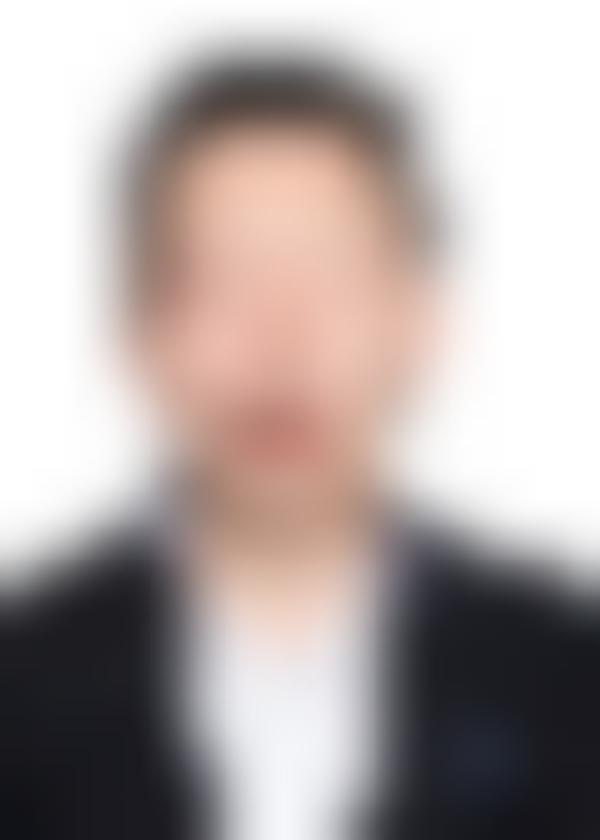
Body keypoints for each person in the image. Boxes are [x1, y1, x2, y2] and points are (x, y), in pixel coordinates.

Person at [2, 55, 598, 840]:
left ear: (419, 322)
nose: (280, 339)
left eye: (330, 275)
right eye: (224, 279)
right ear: (140, 332)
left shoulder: (566, 679)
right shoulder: (21, 684)